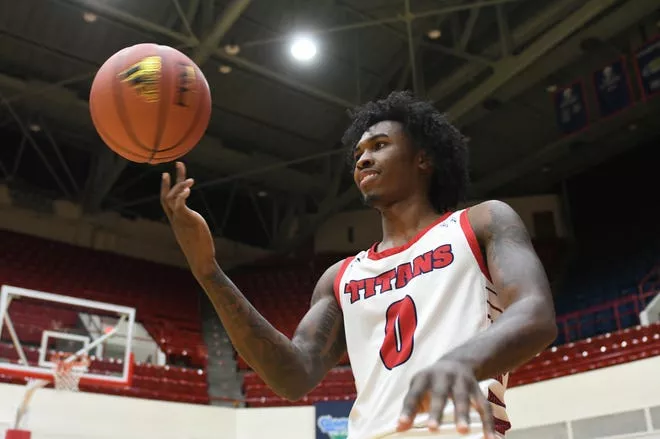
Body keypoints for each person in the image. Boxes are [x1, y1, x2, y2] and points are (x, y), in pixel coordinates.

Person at [160, 91, 558, 438]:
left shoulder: (481, 223)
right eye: (358, 155)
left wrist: (461, 361)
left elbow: (535, 313)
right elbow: (293, 377)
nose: (363, 160)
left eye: (379, 146)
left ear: (423, 159)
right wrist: (209, 272)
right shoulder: (340, 277)